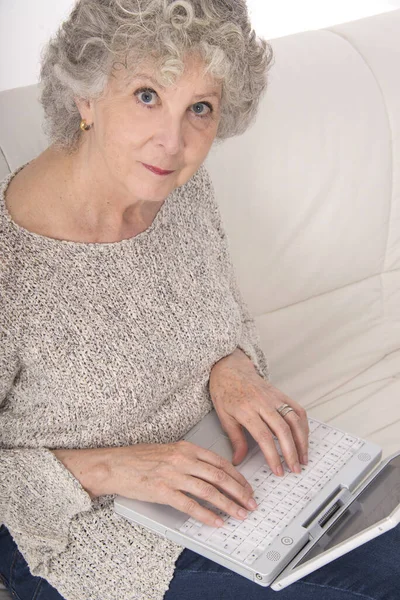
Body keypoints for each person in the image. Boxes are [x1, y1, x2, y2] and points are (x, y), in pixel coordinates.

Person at [0, 1, 398, 600]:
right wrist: (109, 467)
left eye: (200, 109)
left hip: (230, 484)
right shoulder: (12, 265)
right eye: (145, 95)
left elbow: (224, 317)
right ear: (86, 95)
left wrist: (232, 364)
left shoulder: (174, 188)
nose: (173, 141)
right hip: (79, 537)